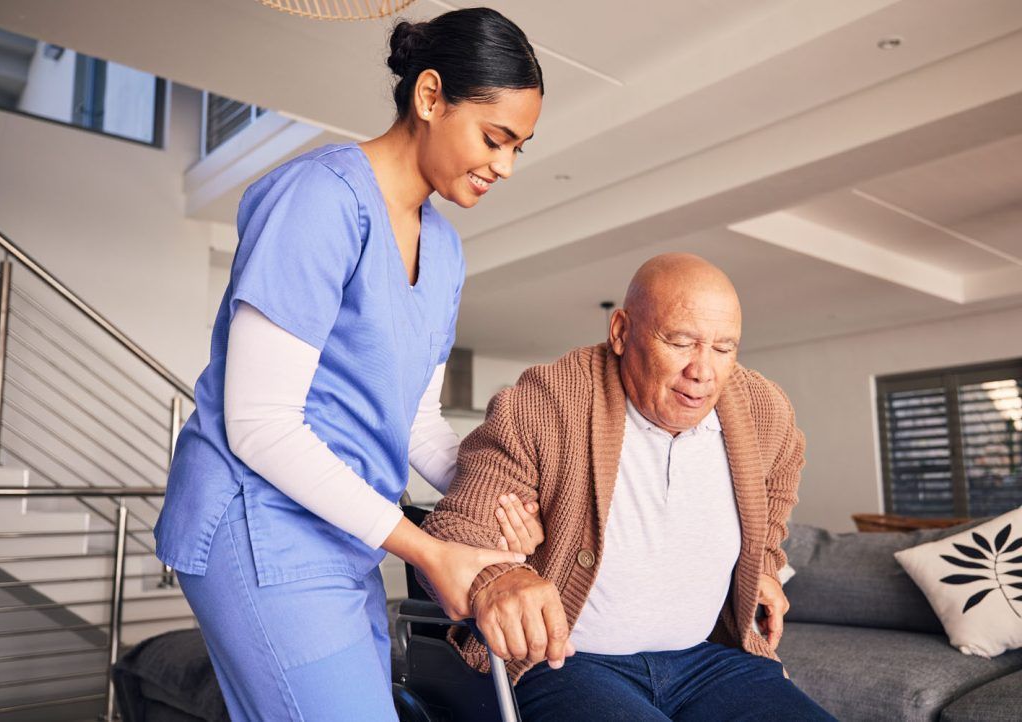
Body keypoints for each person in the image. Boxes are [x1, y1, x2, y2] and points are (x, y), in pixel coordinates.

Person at [153, 8, 544, 720]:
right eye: (495, 138)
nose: (505, 166)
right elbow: (260, 424)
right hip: (257, 522)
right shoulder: (319, 200)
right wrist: (428, 551)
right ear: (430, 97)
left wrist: (494, 495)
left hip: (348, 532)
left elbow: (415, 419)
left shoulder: (447, 249)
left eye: (520, 147)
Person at [419, 254, 836, 720]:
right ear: (620, 332)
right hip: (567, 662)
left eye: (724, 348)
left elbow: (780, 473)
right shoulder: (548, 401)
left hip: (707, 659)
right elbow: (457, 529)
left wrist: (762, 562)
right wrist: (501, 578)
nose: (703, 371)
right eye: (680, 342)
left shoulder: (763, 408)